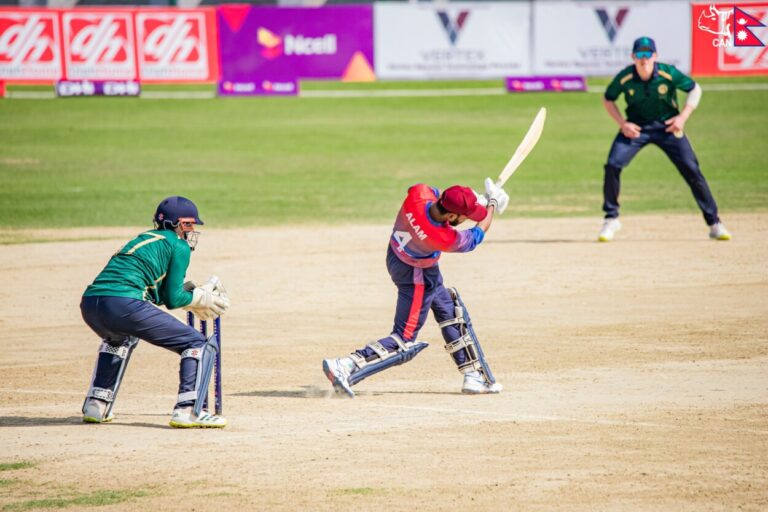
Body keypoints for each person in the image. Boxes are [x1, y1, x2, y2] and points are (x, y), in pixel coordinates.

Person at [322, 179, 510, 397]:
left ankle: (473, 376)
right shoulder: (441, 236)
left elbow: (439, 195)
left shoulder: (419, 194)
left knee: (449, 310)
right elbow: (477, 235)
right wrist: (492, 203)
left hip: (397, 256)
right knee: (404, 339)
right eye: (465, 216)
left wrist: (475, 200)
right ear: (451, 217)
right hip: (416, 276)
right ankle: (345, 365)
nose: (467, 219)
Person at [80, 196, 230, 428]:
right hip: (125, 303)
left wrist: (190, 293)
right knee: (196, 343)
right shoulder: (179, 246)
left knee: (119, 338)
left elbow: (158, 295)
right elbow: (173, 299)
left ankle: (96, 405)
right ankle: (188, 411)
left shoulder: (143, 239)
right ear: (177, 224)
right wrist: (201, 298)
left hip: (91, 304)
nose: (191, 231)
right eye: (189, 224)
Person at [598, 36, 731, 242]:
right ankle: (611, 218)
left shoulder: (667, 73)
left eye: (648, 54)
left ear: (655, 56)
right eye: (640, 54)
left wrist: (682, 117)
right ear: (633, 57)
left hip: (668, 127)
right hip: (637, 128)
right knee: (613, 165)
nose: (644, 59)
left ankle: (714, 222)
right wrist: (623, 124)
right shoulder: (625, 77)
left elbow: (695, 89)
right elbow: (608, 99)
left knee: (692, 169)